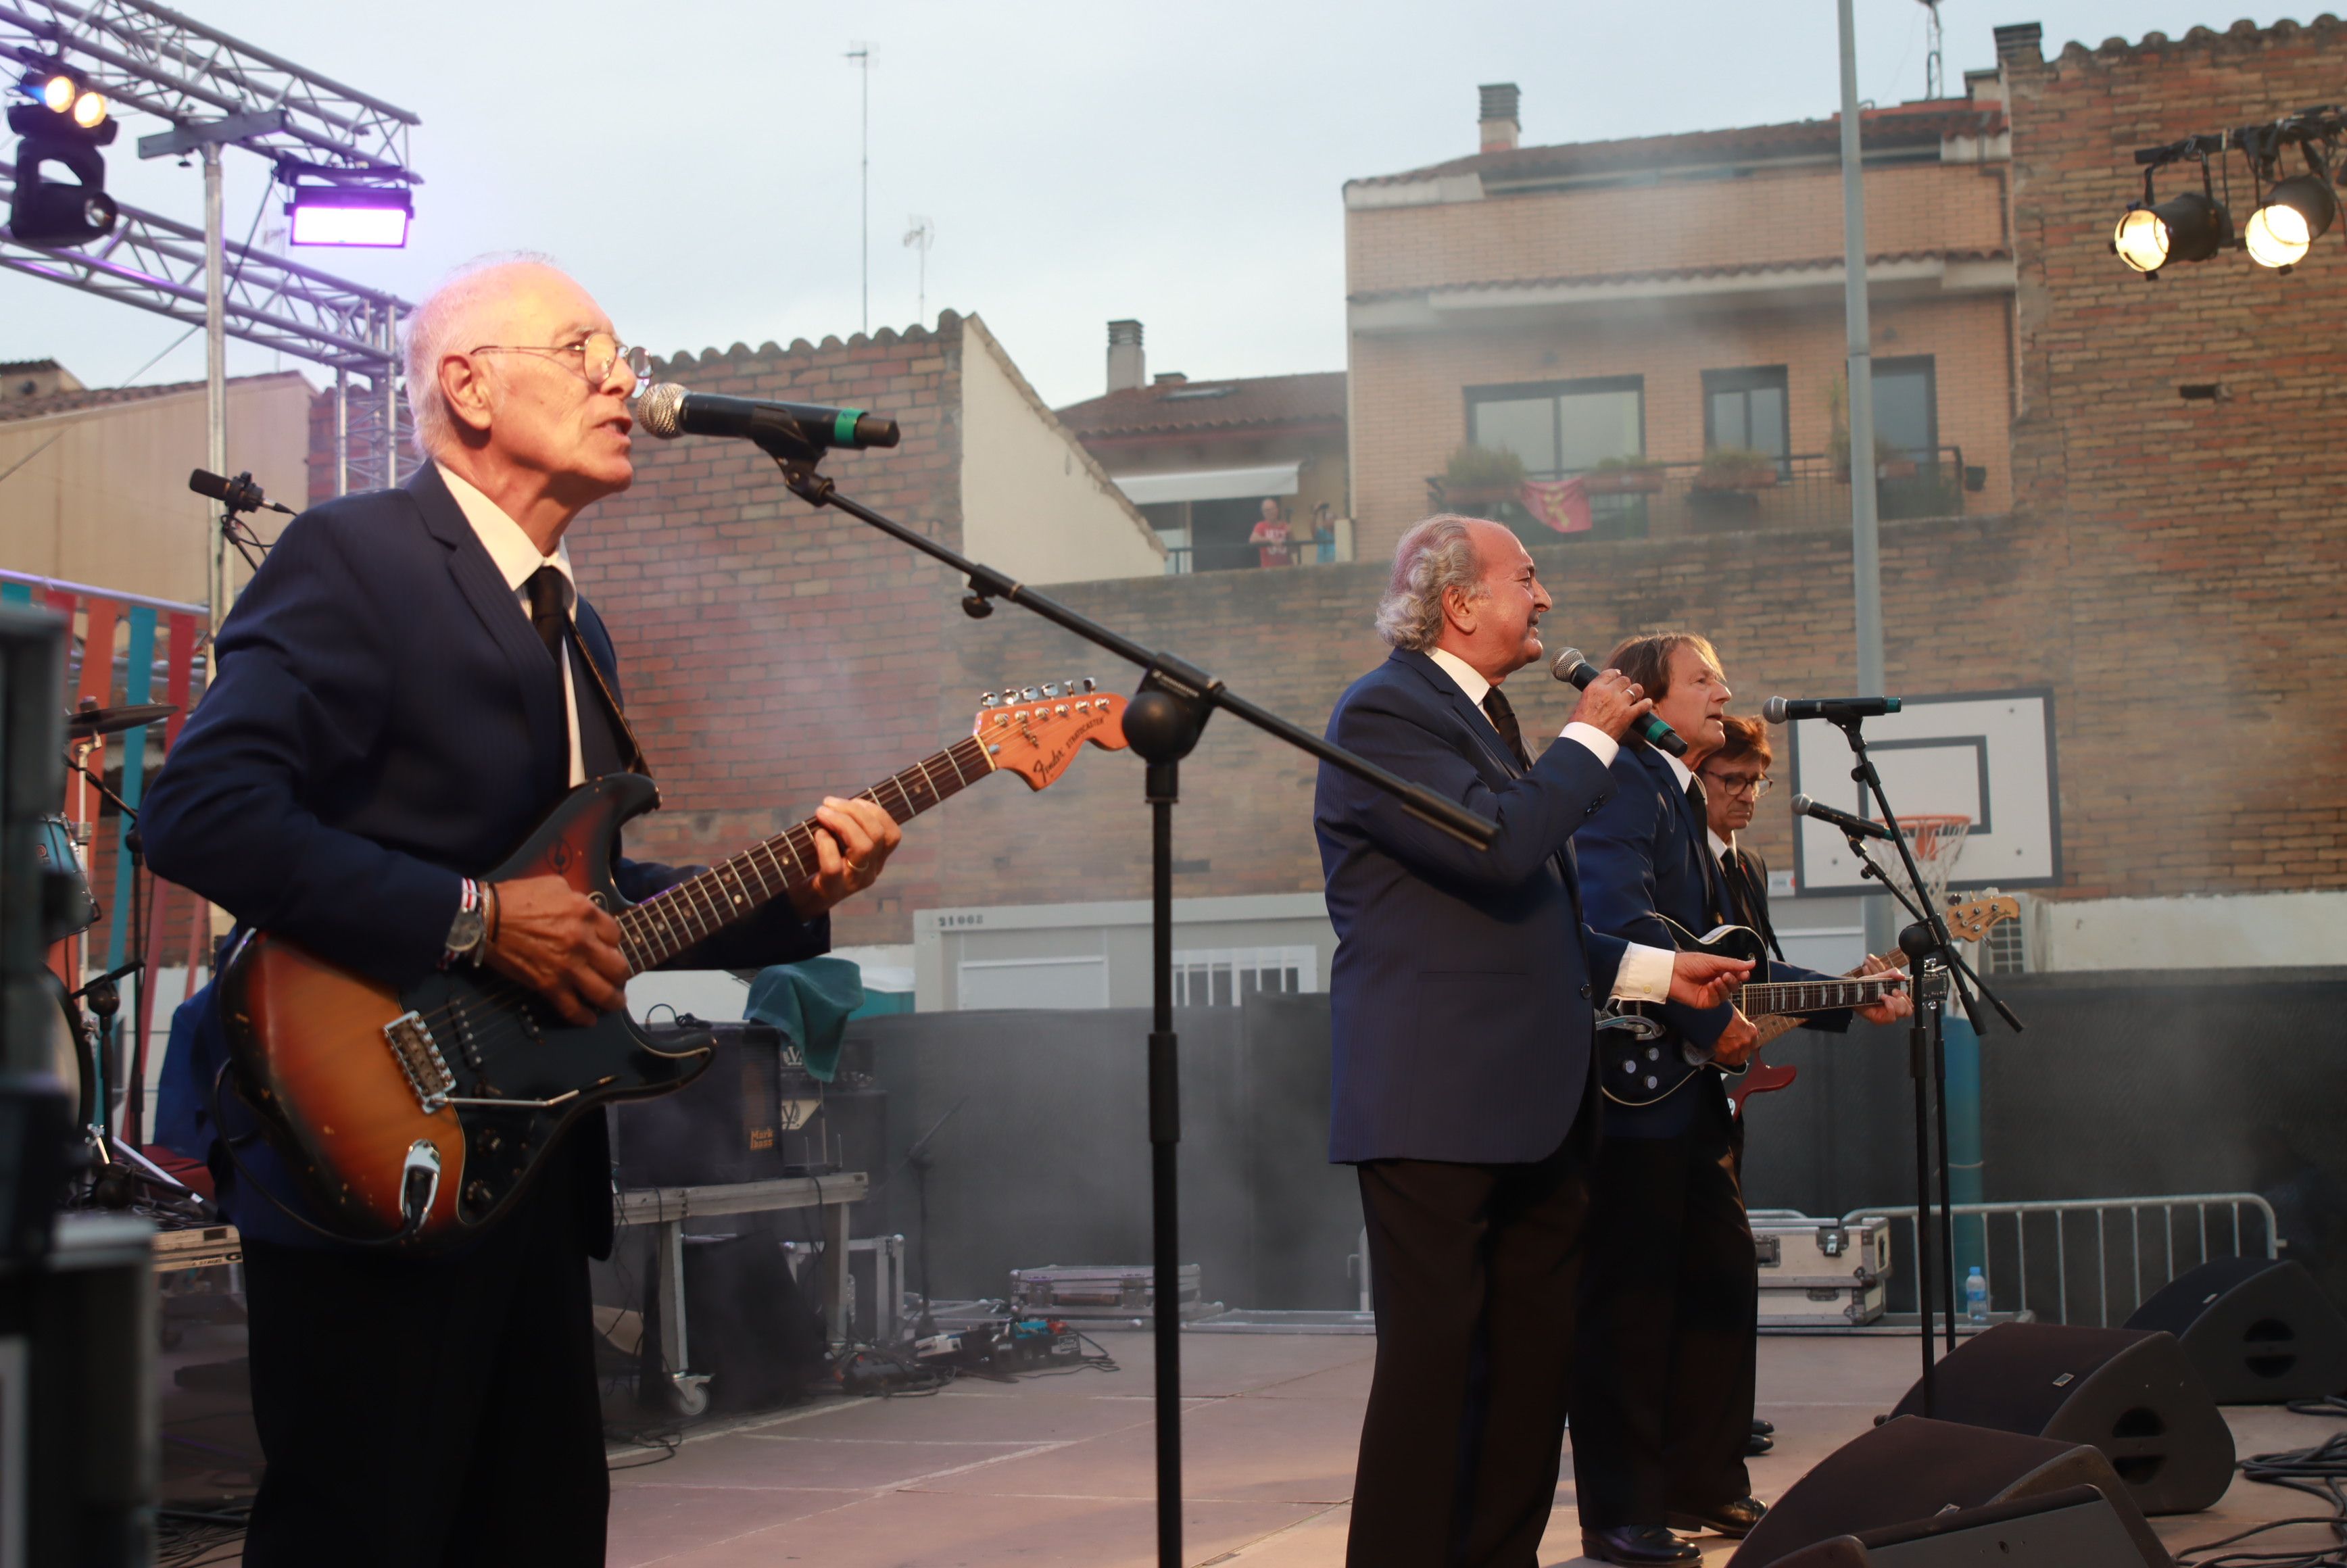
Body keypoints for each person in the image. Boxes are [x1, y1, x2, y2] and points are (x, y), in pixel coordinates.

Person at [141, 256, 903, 1567]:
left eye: (622, 349)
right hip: (359, 1134)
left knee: (538, 1530)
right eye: (581, 348)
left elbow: (588, 909)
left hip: (525, 1170)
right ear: (468, 384)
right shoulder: (361, 555)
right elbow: (199, 808)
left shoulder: (573, 625)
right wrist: (469, 920)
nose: (624, 377)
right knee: (362, 1530)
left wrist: (794, 889)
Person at [1316, 522, 1751, 1568]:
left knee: (1527, 1378)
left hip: (1539, 1107)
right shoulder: (1386, 711)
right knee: (1435, 1378)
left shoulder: (1488, 720)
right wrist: (1592, 735)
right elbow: (1505, 848)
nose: (1547, 600)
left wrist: (1655, 971)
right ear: (1461, 603)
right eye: (1527, 578)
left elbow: (1525, 921)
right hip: (1439, 1102)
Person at [1570, 635, 1910, 1568]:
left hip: (1689, 1102)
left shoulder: (1686, 807)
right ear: (1647, 698)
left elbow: (1739, 963)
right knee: (1630, 1308)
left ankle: (1705, 1482)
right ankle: (1624, 1513)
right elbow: (1616, 922)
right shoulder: (1625, 783)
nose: (1725, 690)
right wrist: (1696, 1027)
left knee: (1720, 1284)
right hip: (1635, 1090)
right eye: (1704, 679)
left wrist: (1852, 994)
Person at [1249, 496, 1293, 567]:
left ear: (1277, 510)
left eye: (1273, 509)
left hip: (1286, 569)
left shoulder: (1285, 526)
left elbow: (1295, 550)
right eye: (1267, 510)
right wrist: (1270, 540)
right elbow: (1252, 539)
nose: (1271, 512)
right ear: (1263, 513)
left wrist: (1291, 534)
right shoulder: (1261, 526)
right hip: (1269, 570)